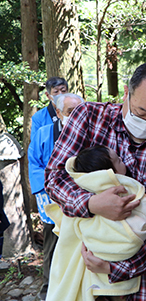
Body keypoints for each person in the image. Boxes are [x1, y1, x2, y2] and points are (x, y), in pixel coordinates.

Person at [45, 62, 146, 301]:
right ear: (127, 93)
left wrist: (117, 268)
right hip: (86, 277)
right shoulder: (89, 117)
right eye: (141, 112)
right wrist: (91, 204)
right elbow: (55, 177)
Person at [46, 145, 146, 301]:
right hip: (119, 247)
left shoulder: (83, 185)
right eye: (118, 160)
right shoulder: (124, 186)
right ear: (109, 172)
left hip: (94, 254)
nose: (124, 162)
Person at [28, 93, 84, 300]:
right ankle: (48, 289)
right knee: (52, 244)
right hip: (51, 197)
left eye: (79, 111)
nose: (76, 116)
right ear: (58, 113)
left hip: (83, 198)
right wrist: (42, 194)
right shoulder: (44, 133)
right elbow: (34, 164)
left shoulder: (90, 131)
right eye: (70, 112)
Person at [30, 77, 68, 143]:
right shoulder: (39, 117)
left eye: (63, 91)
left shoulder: (76, 112)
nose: (60, 94)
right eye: (56, 92)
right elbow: (35, 145)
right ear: (48, 95)